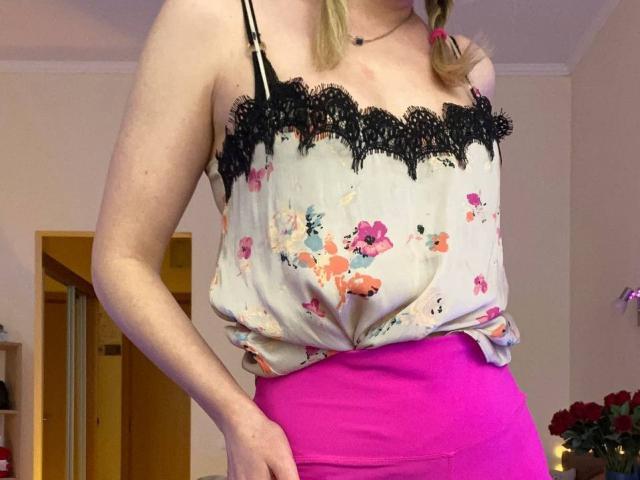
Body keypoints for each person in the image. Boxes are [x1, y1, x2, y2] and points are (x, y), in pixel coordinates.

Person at [92, 0, 551, 478]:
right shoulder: (220, 22)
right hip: (315, 452)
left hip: (496, 445)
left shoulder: (467, 67)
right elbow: (122, 259)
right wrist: (234, 416)